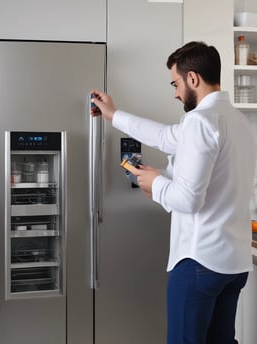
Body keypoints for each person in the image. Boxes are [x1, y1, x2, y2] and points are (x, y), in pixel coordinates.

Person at [90, 41, 257, 344]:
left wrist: (155, 184)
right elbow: (167, 138)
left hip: (199, 262)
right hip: (234, 264)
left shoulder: (199, 121)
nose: (176, 93)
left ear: (193, 78)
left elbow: (187, 200)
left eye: (176, 83)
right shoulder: (238, 121)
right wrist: (113, 114)